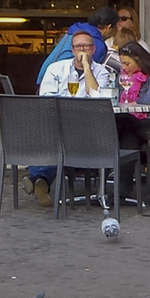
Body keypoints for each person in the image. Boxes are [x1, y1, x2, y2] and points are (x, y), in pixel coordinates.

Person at [29, 23, 113, 206]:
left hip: (88, 126)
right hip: (57, 120)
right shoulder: (56, 69)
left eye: (86, 46)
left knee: (59, 141)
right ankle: (40, 178)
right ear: (72, 49)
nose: (82, 50)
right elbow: (46, 98)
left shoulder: (101, 72)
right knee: (56, 136)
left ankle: (37, 176)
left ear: (94, 49)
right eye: (78, 46)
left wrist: (87, 68)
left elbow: (97, 97)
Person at [114, 40, 150, 153]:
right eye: (122, 63)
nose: (124, 67)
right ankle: (147, 133)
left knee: (127, 128)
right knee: (122, 125)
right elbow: (116, 97)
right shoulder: (123, 77)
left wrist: (134, 103)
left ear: (139, 61)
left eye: (127, 64)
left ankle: (124, 169)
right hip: (128, 118)